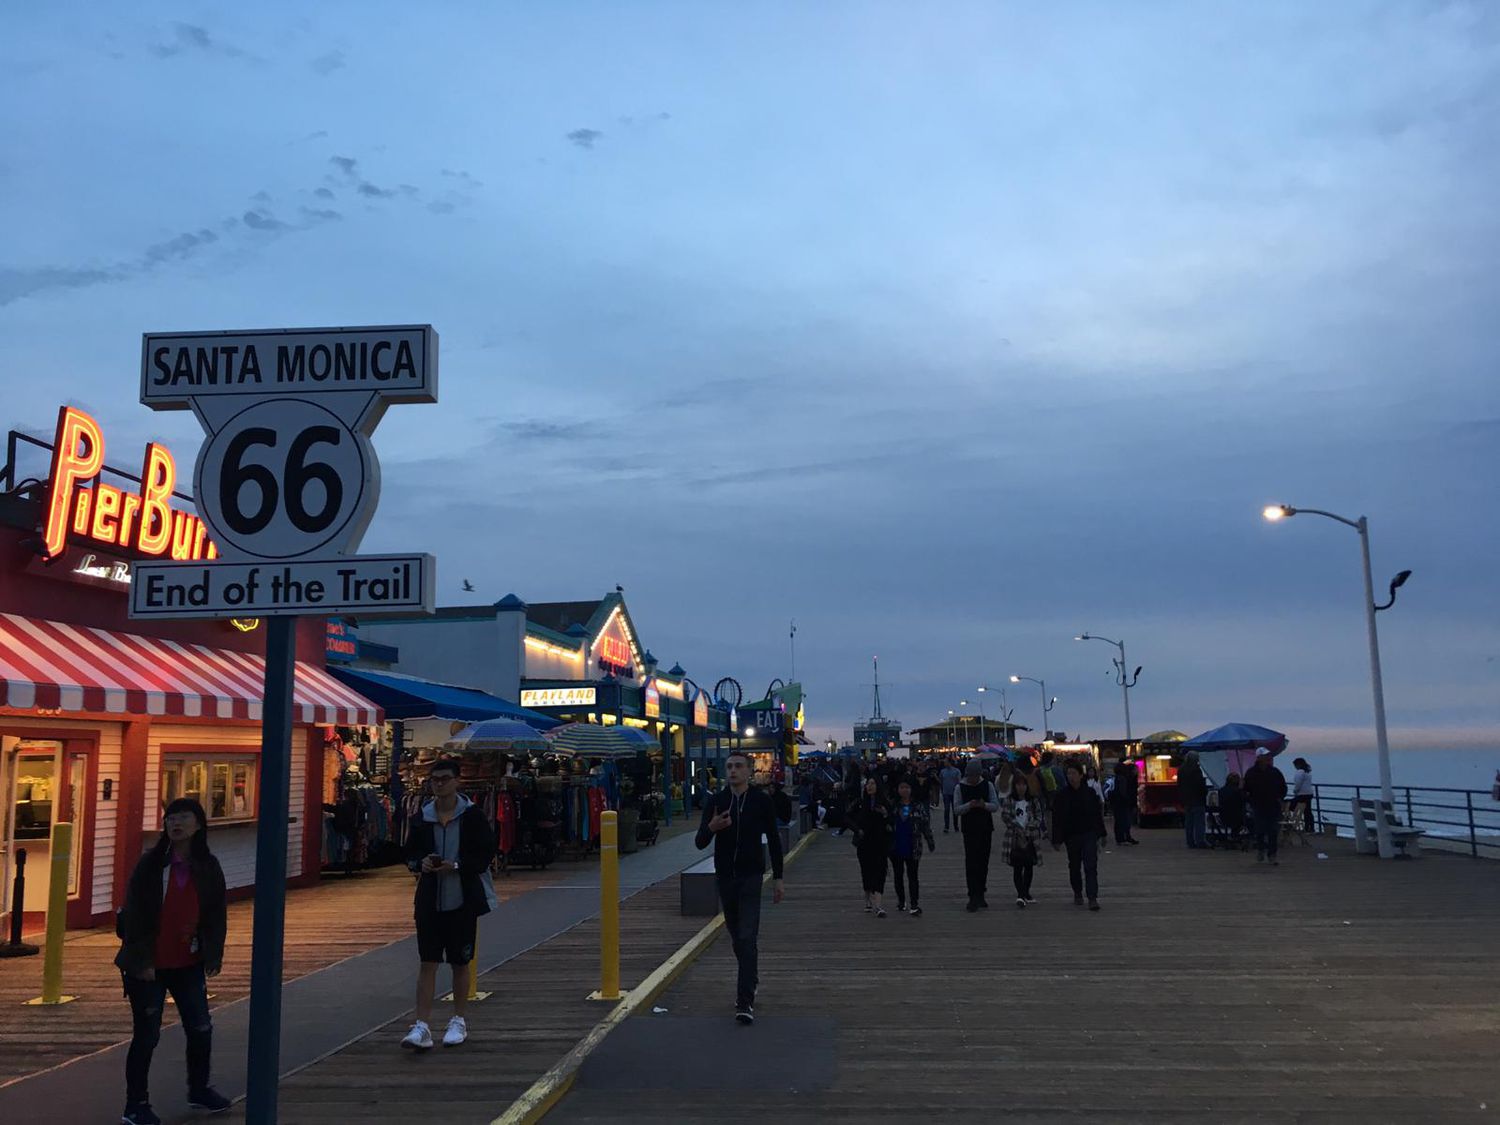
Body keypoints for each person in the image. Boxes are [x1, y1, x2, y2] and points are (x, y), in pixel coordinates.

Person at [115, 798, 232, 1124]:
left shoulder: (207, 866)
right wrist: (142, 960)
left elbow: (215, 914)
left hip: (188, 961)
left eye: (183, 818)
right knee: (147, 1035)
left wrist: (214, 952)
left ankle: (199, 1089)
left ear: (198, 825)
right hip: (149, 964)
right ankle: (135, 1104)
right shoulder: (151, 865)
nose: (175, 824)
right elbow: (134, 914)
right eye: (170, 819)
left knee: (200, 1027)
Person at [401, 758, 498, 1050]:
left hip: (462, 897)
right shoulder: (422, 817)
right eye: (435, 780)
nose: (439, 784)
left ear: (457, 781)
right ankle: (422, 1025)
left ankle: (458, 1019)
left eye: (444, 778)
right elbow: (409, 853)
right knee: (427, 961)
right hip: (430, 898)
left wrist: (457, 865)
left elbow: (485, 854)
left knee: (460, 961)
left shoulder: (472, 817)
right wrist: (422, 864)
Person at [695, 749, 785, 1024]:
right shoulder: (717, 801)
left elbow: (774, 837)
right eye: (729, 766)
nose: (733, 771)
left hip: (751, 875)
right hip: (725, 876)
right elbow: (700, 842)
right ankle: (752, 976)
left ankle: (744, 1001)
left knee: (747, 935)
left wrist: (778, 877)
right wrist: (712, 827)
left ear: (749, 771)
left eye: (738, 766)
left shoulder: (760, 801)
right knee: (737, 938)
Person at [1051, 761, 1107, 910]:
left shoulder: (1089, 793)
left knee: (1090, 866)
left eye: (1074, 773)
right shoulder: (1062, 795)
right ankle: (1077, 892)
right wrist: (1056, 839)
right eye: (1068, 773)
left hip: (1089, 833)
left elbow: (1097, 815)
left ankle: (1092, 897)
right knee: (1074, 866)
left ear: (1080, 775)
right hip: (1071, 835)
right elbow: (1057, 818)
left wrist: (1102, 834)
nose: (1071, 777)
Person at [955, 759, 1000, 911]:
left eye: (974, 776)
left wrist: (983, 805)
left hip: (985, 827)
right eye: (970, 776)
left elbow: (995, 806)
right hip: (969, 829)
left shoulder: (987, 785)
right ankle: (972, 895)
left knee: (983, 861)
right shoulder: (959, 787)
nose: (972, 779)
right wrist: (969, 805)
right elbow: (957, 809)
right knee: (971, 862)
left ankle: (981, 893)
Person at [888, 778, 936, 916]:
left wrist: (930, 841)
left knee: (913, 875)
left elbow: (925, 825)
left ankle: (914, 903)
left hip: (913, 845)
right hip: (896, 845)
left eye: (907, 787)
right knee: (898, 875)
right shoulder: (893, 806)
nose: (904, 790)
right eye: (902, 787)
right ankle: (901, 901)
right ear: (897, 790)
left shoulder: (918, 806)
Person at [850, 777, 893, 917]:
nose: (870, 786)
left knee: (880, 871)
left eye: (873, 783)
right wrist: (857, 830)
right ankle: (868, 899)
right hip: (864, 842)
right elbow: (847, 817)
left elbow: (892, 820)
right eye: (868, 784)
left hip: (880, 842)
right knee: (867, 871)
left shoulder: (884, 803)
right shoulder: (861, 803)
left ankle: (878, 904)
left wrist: (885, 815)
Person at [1000, 772, 1045, 907]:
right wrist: (1017, 828)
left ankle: (1026, 892)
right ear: (1014, 786)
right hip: (1014, 837)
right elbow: (1005, 816)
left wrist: (1029, 827)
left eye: (1023, 784)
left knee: (1029, 865)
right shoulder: (1009, 800)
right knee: (1017, 867)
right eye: (1018, 784)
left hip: (1031, 836)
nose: (1021, 787)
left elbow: (1039, 817)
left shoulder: (1033, 800)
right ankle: (1020, 894)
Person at [1243, 748, 1288, 865]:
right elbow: (1245, 789)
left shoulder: (1275, 772)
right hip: (1258, 806)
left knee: (1273, 831)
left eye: (1268, 755)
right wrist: (1250, 800)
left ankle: (1272, 854)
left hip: (1273, 806)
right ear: (1258, 758)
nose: (1268, 757)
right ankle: (1261, 849)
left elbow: (1283, 787)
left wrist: (1280, 798)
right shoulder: (1251, 773)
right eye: (1265, 756)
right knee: (1260, 830)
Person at [1178, 750, 1209, 849]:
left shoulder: (1181, 769)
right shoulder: (1196, 770)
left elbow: (1179, 785)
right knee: (1199, 821)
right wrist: (1205, 793)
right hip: (1197, 799)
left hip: (1187, 799)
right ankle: (1200, 841)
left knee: (1189, 822)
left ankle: (1190, 841)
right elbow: (1200, 785)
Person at [1111, 760, 1140, 845]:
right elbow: (1123, 791)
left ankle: (1122, 838)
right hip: (1122, 803)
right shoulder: (1123, 778)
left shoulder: (1118, 778)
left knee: (1120, 821)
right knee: (1123, 820)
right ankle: (1122, 838)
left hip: (1118, 802)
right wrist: (1127, 799)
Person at [1218, 772, 1248, 846]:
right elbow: (1244, 801)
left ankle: (1233, 837)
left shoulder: (1221, 790)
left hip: (1223, 817)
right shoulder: (1238, 792)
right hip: (1237, 818)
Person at [1290, 757, 1315, 833]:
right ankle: (1310, 828)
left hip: (1302, 794)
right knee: (1308, 811)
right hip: (1309, 794)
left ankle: (1292, 823)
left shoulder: (1300, 772)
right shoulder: (1307, 772)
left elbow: (1298, 783)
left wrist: (1295, 791)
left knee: (1291, 806)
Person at [939, 760, 962, 833]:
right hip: (946, 793)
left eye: (945, 762)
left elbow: (959, 781)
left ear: (949, 762)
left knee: (955, 810)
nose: (944, 763)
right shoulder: (942, 771)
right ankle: (946, 826)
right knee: (946, 810)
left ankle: (956, 826)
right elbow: (941, 781)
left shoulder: (956, 771)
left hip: (954, 793)